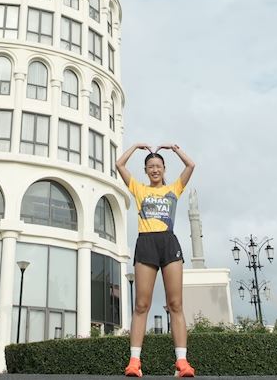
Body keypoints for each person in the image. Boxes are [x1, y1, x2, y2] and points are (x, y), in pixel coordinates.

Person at [118, 142, 196, 378]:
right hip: (146, 243)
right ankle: (134, 362)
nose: (154, 169)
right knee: (141, 305)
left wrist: (174, 149)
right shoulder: (139, 189)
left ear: (164, 169)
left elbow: (191, 164)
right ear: (146, 171)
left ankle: (182, 363)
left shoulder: (174, 188)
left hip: (168, 243)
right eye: (150, 166)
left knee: (176, 305)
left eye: (158, 166)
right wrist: (134, 146)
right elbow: (119, 164)